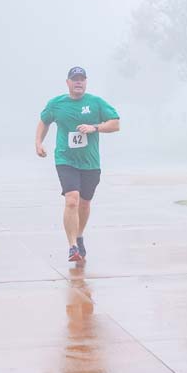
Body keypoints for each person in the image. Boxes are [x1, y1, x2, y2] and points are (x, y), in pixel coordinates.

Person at [35, 67, 120, 262]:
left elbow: (115, 123)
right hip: (66, 160)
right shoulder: (56, 104)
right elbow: (44, 121)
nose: (78, 82)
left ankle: (79, 235)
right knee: (72, 199)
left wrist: (94, 127)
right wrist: (38, 143)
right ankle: (72, 246)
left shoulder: (95, 102)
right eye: (75, 79)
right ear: (68, 83)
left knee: (84, 203)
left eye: (82, 79)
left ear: (86, 82)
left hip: (90, 163)